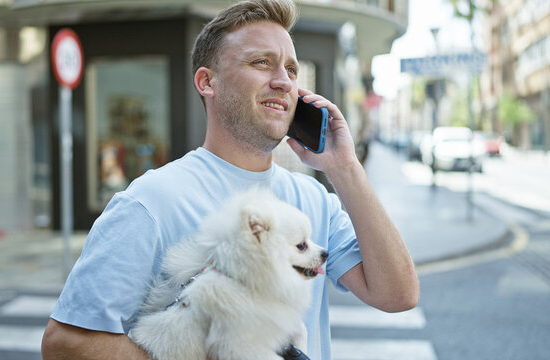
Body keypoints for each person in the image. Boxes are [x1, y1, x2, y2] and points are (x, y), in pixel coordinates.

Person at [41, 0, 420, 359]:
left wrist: (345, 169)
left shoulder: (314, 198)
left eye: (291, 69)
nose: (284, 82)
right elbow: (64, 344)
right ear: (207, 82)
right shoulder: (151, 201)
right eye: (261, 62)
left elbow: (398, 294)